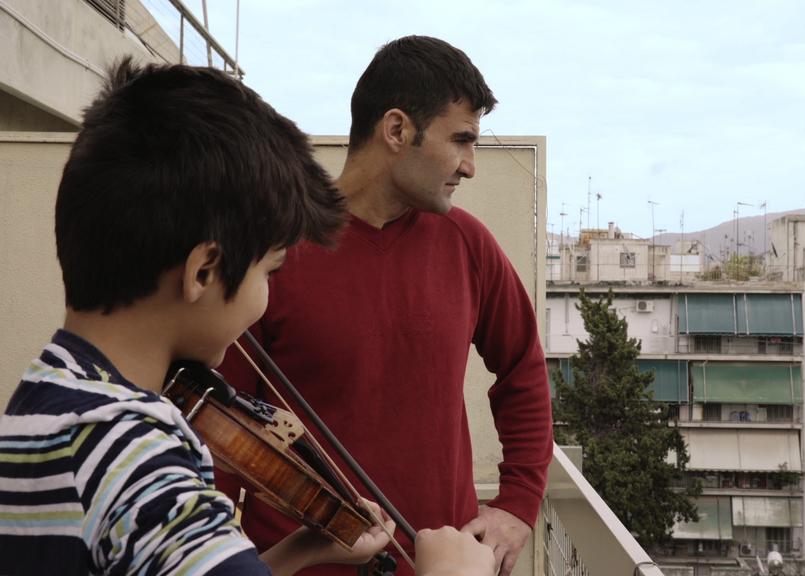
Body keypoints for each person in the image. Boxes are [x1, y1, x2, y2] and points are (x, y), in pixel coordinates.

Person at [0, 58, 494, 576]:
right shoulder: (139, 461)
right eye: (268, 271)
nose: (265, 296)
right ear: (205, 270)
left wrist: (297, 551)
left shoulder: (49, 401)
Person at [217, 35, 554, 576]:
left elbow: (523, 371)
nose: (470, 166)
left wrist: (518, 503)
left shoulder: (469, 244)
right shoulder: (273, 253)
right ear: (396, 130)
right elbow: (221, 426)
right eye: (462, 140)